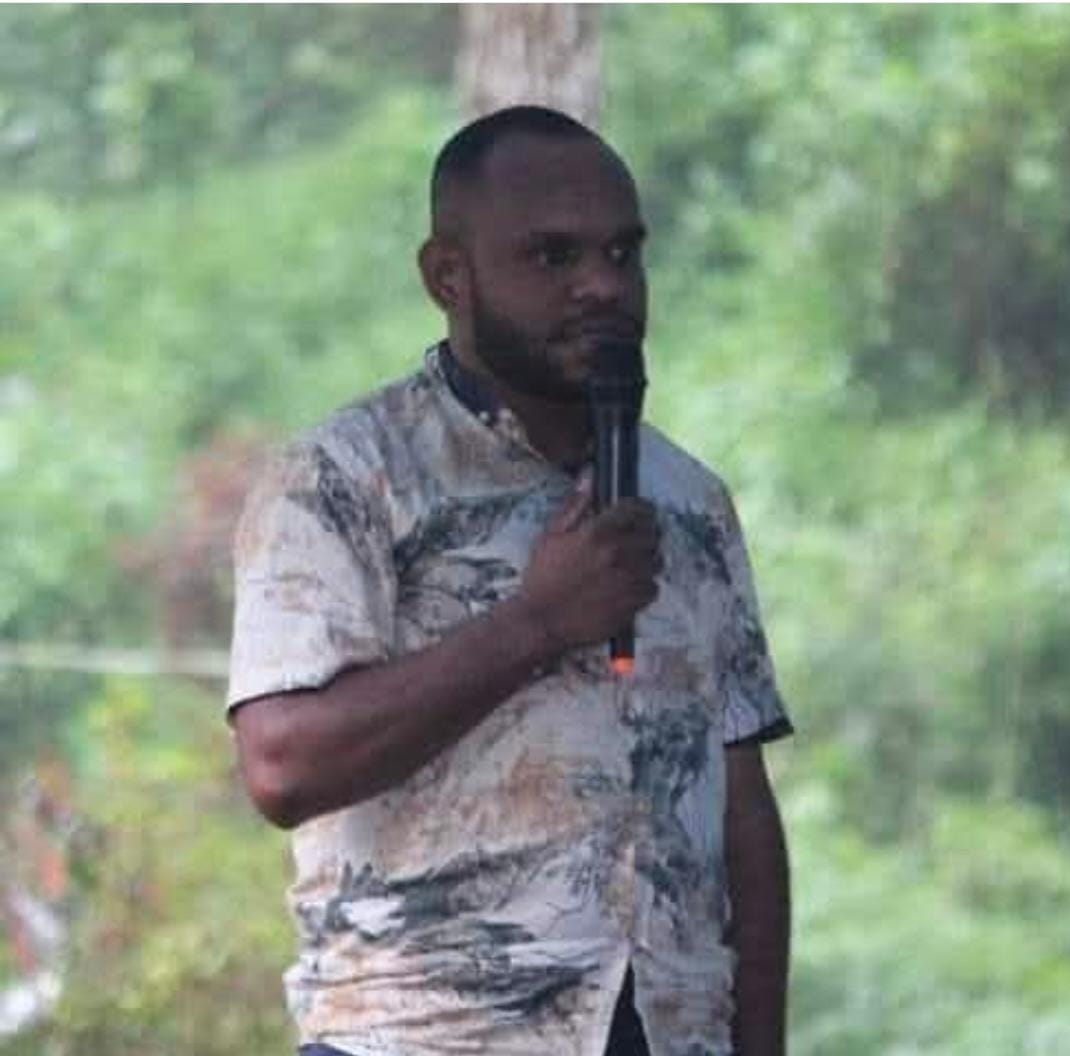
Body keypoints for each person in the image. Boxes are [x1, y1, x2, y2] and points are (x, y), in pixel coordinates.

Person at [227, 105, 793, 1056]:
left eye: (623, 253)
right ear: (447, 277)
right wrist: (537, 622)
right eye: (553, 256)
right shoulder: (345, 475)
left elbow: (742, 807)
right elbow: (282, 765)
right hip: (424, 1032)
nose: (602, 285)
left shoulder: (688, 498)